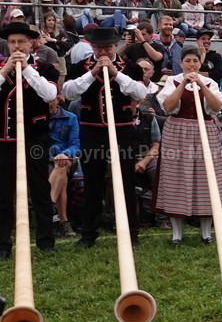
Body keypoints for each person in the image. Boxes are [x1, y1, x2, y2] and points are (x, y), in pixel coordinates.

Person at [62, 27, 148, 248]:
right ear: (91, 46)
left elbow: (140, 94)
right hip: (92, 130)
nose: (104, 52)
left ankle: (131, 233)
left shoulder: (130, 67)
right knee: (93, 183)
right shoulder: (80, 67)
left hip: (123, 130)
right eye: (99, 47)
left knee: (126, 181)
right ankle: (89, 234)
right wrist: (92, 73)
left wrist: (116, 74)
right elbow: (69, 92)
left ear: (115, 46)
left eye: (108, 47)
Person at [155, 45, 222, 245]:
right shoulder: (172, 81)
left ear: (200, 63)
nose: (192, 65)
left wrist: (201, 85)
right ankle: (177, 233)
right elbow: (168, 106)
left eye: (195, 61)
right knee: (176, 177)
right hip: (177, 131)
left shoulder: (210, 82)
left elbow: (216, 107)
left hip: (206, 130)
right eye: (188, 61)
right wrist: (182, 83)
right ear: (181, 63)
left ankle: (206, 232)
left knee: (207, 178)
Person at [0, 22, 58, 259]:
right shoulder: (0, 68)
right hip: (4, 138)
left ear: (31, 43)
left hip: (35, 137)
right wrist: (5, 71)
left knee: (40, 188)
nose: (16, 46)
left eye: (21, 42)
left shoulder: (43, 67)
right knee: (3, 193)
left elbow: (51, 94)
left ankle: (45, 241)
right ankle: (3, 245)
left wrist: (26, 69)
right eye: (12, 42)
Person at [47, 97, 79, 238]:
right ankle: (63, 222)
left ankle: (49, 205)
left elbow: (75, 144)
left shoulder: (71, 118)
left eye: (51, 100)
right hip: (44, 158)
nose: (49, 103)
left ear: (57, 100)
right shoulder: (38, 118)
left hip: (68, 158)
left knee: (62, 164)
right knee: (62, 176)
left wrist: (64, 154)